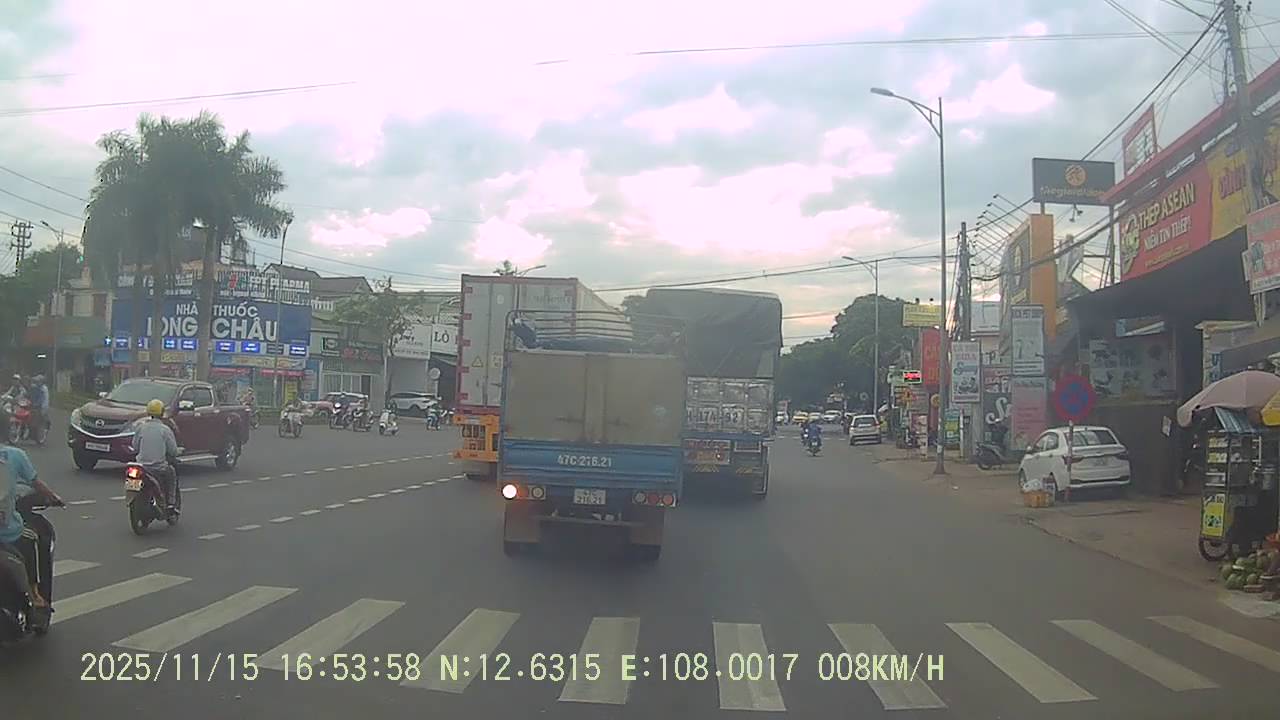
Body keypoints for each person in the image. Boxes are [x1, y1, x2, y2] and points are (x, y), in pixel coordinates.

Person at [0, 412, 63, 615]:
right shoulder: (15, 455)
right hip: (7, 533)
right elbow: (36, 483)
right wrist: (54, 498)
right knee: (31, 538)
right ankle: (35, 594)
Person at [134, 399, 180, 515]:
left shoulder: (141, 428)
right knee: (171, 473)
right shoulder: (165, 430)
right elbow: (173, 451)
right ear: (162, 413)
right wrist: (178, 451)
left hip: (141, 467)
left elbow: (135, 447)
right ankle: (171, 503)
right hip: (158, 468)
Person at [27, 374, 49, 444]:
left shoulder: (44, 389)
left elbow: (44, 399)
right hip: (34, 406)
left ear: (42, 382)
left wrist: (42, 408)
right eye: (36, 381)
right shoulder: (35, 387)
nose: (36, 382)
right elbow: (30, 394)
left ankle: (34, 435)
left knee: (36, 421)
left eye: (38, 381)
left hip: (41, 407)